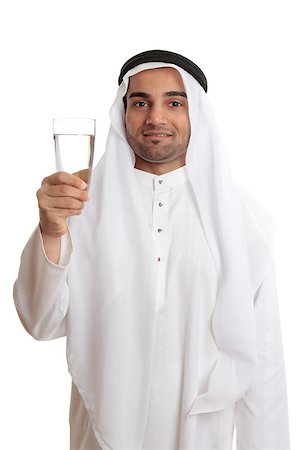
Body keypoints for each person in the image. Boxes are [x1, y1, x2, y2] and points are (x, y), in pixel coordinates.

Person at [14, 50, 290, 450]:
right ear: (122, 114)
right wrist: (52, 228)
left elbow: (263, 369)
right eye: (140, 102)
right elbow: (40, 324)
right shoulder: (80, 205)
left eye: (174, 102)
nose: (155, 117)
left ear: (196, 113)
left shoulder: (241, 219)